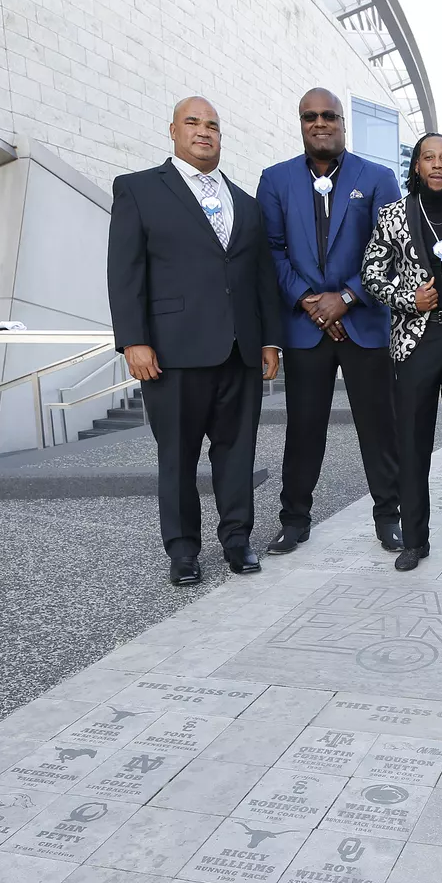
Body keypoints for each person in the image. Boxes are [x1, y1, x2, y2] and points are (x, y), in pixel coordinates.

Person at [108, 96, 282, 586]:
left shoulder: (244, 203)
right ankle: (183, 551)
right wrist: (132, 341)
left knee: (237, 451)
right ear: (173, 131)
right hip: (172, 351)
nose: (204, 132)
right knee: (178, 456)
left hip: (239, 351)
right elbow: (124, 272)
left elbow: (259, 278)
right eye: (193, 123)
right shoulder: (139, 189)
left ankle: (237, 540)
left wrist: (270, 341)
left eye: (213, 126)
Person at [257, 88, 404, 556]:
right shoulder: (275, 180)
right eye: (309, 117)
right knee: (303, 429)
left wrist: (344, 298)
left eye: (329, 116)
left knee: (379, 428)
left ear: (343, 122)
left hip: (364, 324)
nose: (319, 123)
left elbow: (390, 248)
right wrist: (309, 302)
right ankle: (294, 521)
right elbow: (272, 252)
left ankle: (390, 519)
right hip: (305, 327)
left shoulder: (377, 178)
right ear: (301, 123)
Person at [361, 134, 442, 572]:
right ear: (416, 166)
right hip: (416, 341)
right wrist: (406, 298)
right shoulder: (393, 215)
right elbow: (371, 274)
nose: (437, 165)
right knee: (413, 443)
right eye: (428, 158)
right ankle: (414, 539)